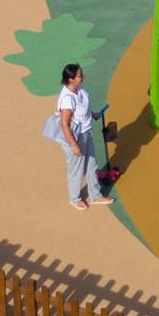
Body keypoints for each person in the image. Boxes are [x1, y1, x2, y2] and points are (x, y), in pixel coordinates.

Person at [53, 63, 111, 209]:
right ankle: (74, 198)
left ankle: (95, 196)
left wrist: (94, 114)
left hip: (86, 133)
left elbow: (84, 108)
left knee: (91, 165)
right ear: (70, 79)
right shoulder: (67, 99)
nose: (82, 77)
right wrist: (74, 145)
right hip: (75, 137)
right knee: (76, 169)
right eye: (79, 76)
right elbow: (64, 124)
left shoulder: (80, 89)